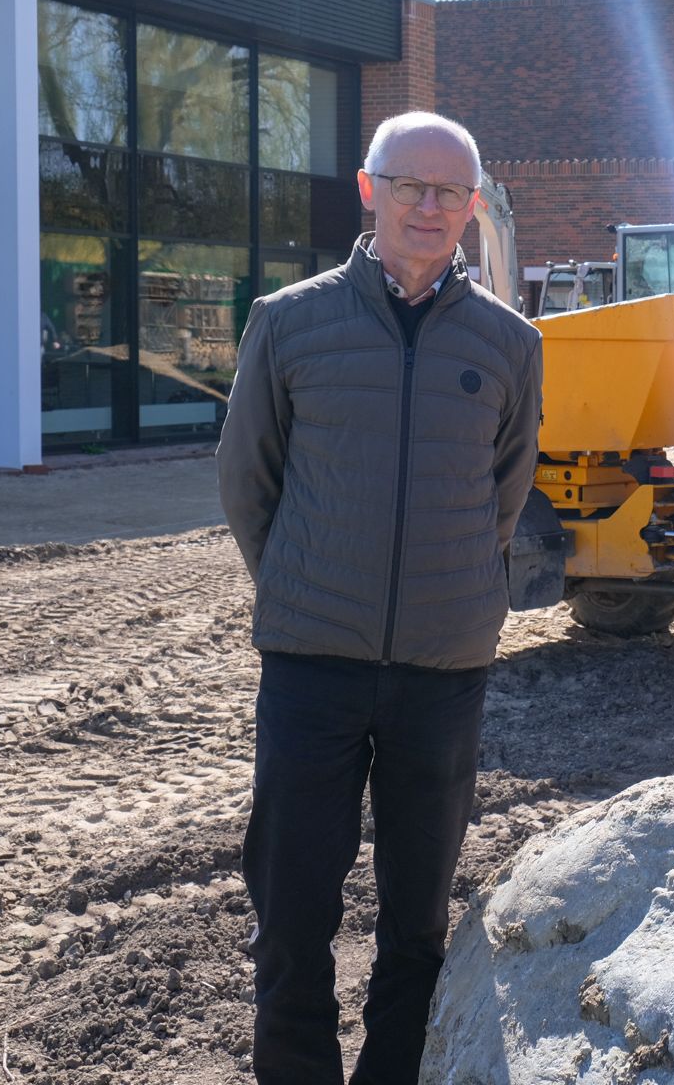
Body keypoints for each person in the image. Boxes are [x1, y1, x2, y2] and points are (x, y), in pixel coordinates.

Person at [217, 111, 544, 1084]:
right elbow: (248, 482)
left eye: (451, 192)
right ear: (371, 190)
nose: (430, 206)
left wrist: (460, 591)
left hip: (442, 674)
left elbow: (505, 488)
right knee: (293, 905)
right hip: (312, 664)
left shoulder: (510, 344)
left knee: (417, 918)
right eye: (411, 185)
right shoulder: (288, 322)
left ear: (473, 208)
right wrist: (304, 581)